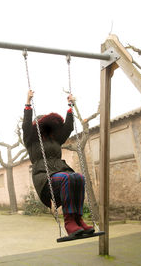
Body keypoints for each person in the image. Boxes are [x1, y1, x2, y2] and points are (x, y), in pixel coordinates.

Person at [22, 89, 94, 238]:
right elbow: (26, 126)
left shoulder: (55, 139)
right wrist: (28, 103)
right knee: (67, 178)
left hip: (61, 171)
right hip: (44, 177)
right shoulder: (31, 140)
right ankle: (69, 222)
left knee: (79, 177)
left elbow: (68, 127)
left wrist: (70, 106)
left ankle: (78, 220)